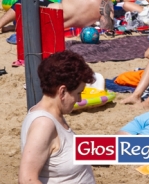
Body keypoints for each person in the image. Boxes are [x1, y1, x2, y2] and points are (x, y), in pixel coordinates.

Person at [19, 50, 96, 184]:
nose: (79, 99)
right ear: (62, 92)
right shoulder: (43, 124)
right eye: (78, 93)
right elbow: (27, 179)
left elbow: (63, 151)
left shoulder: (52, 114)